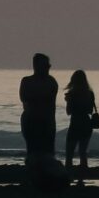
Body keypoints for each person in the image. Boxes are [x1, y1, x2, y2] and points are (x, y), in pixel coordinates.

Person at [20, 53, 60, 182]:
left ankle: (44, 177)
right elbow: (25, 99)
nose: (48, 67)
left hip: (45, 121)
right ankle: (34, 176)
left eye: (49, 65)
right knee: (33, 150)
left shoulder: (51, 81)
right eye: (46, 65)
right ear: (37, 66)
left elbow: (48, 102)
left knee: (46, 152)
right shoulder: (28, 81)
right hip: (32, 121)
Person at [63, 70, 99, 183]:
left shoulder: (72, 94)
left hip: (75, 124)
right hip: (87, 124)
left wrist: (68, 101)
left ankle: (67, 177)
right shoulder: (90, 93)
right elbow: (90, 110)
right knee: (82, 152)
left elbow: (69, 112)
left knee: (69, 153)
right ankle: (82, 177)